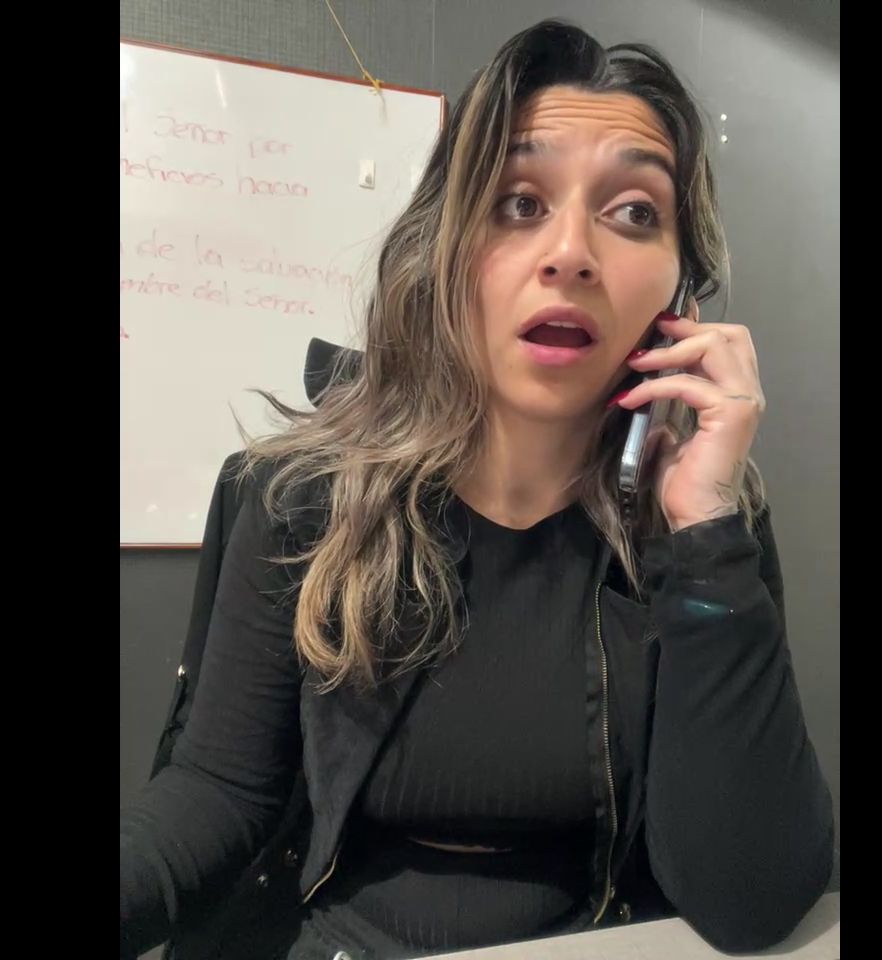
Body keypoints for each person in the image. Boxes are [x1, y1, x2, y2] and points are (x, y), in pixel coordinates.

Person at [120, 18, 835, 960]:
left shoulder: (697, 528)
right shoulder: (301, 497)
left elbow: (754, 899)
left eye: (634, 212)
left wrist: (705, 535)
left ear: (679, 302)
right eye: (518, 202)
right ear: (441, 251)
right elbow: (218, 795)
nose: (570, 253)